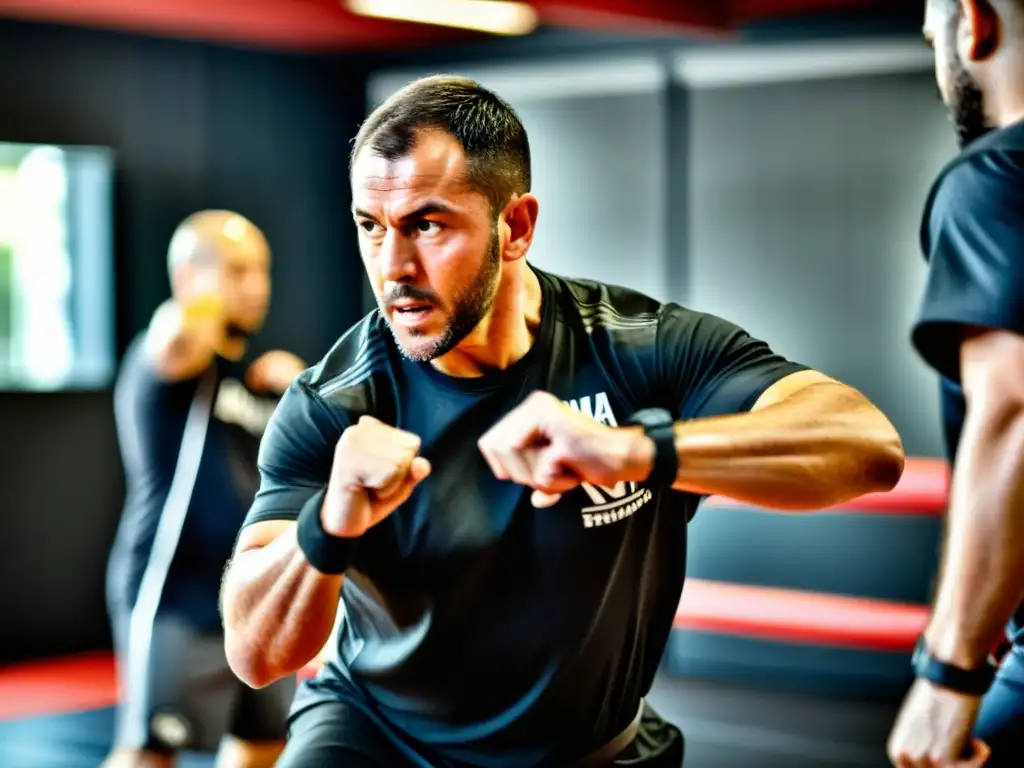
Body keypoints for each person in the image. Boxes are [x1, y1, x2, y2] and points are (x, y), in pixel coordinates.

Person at [220, 75, 906, 768]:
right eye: (371, 226)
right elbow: (254, 654)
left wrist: (634, 451)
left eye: (427, 225)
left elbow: (867, 445)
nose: (393, 266)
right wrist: (329, 522)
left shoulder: (638, 349)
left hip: (587, 751)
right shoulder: (334, 403)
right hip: (377, 743)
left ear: (514, 227)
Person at [105, 210, 305, 768]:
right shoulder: (167, 364)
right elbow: (176, 334)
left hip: (248, 594)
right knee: (148, 754)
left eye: (261, 270)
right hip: (175, 596)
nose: (257, 287)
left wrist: (298, 385)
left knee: (265, 744)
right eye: (238, 270)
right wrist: (195, 295)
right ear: (189, 279)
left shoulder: (255, 381)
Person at [887, 2, 1024, 767]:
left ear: (973, 23)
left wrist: (949, 674)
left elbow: (1014, 411)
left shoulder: (999, 175)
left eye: (933, 31)